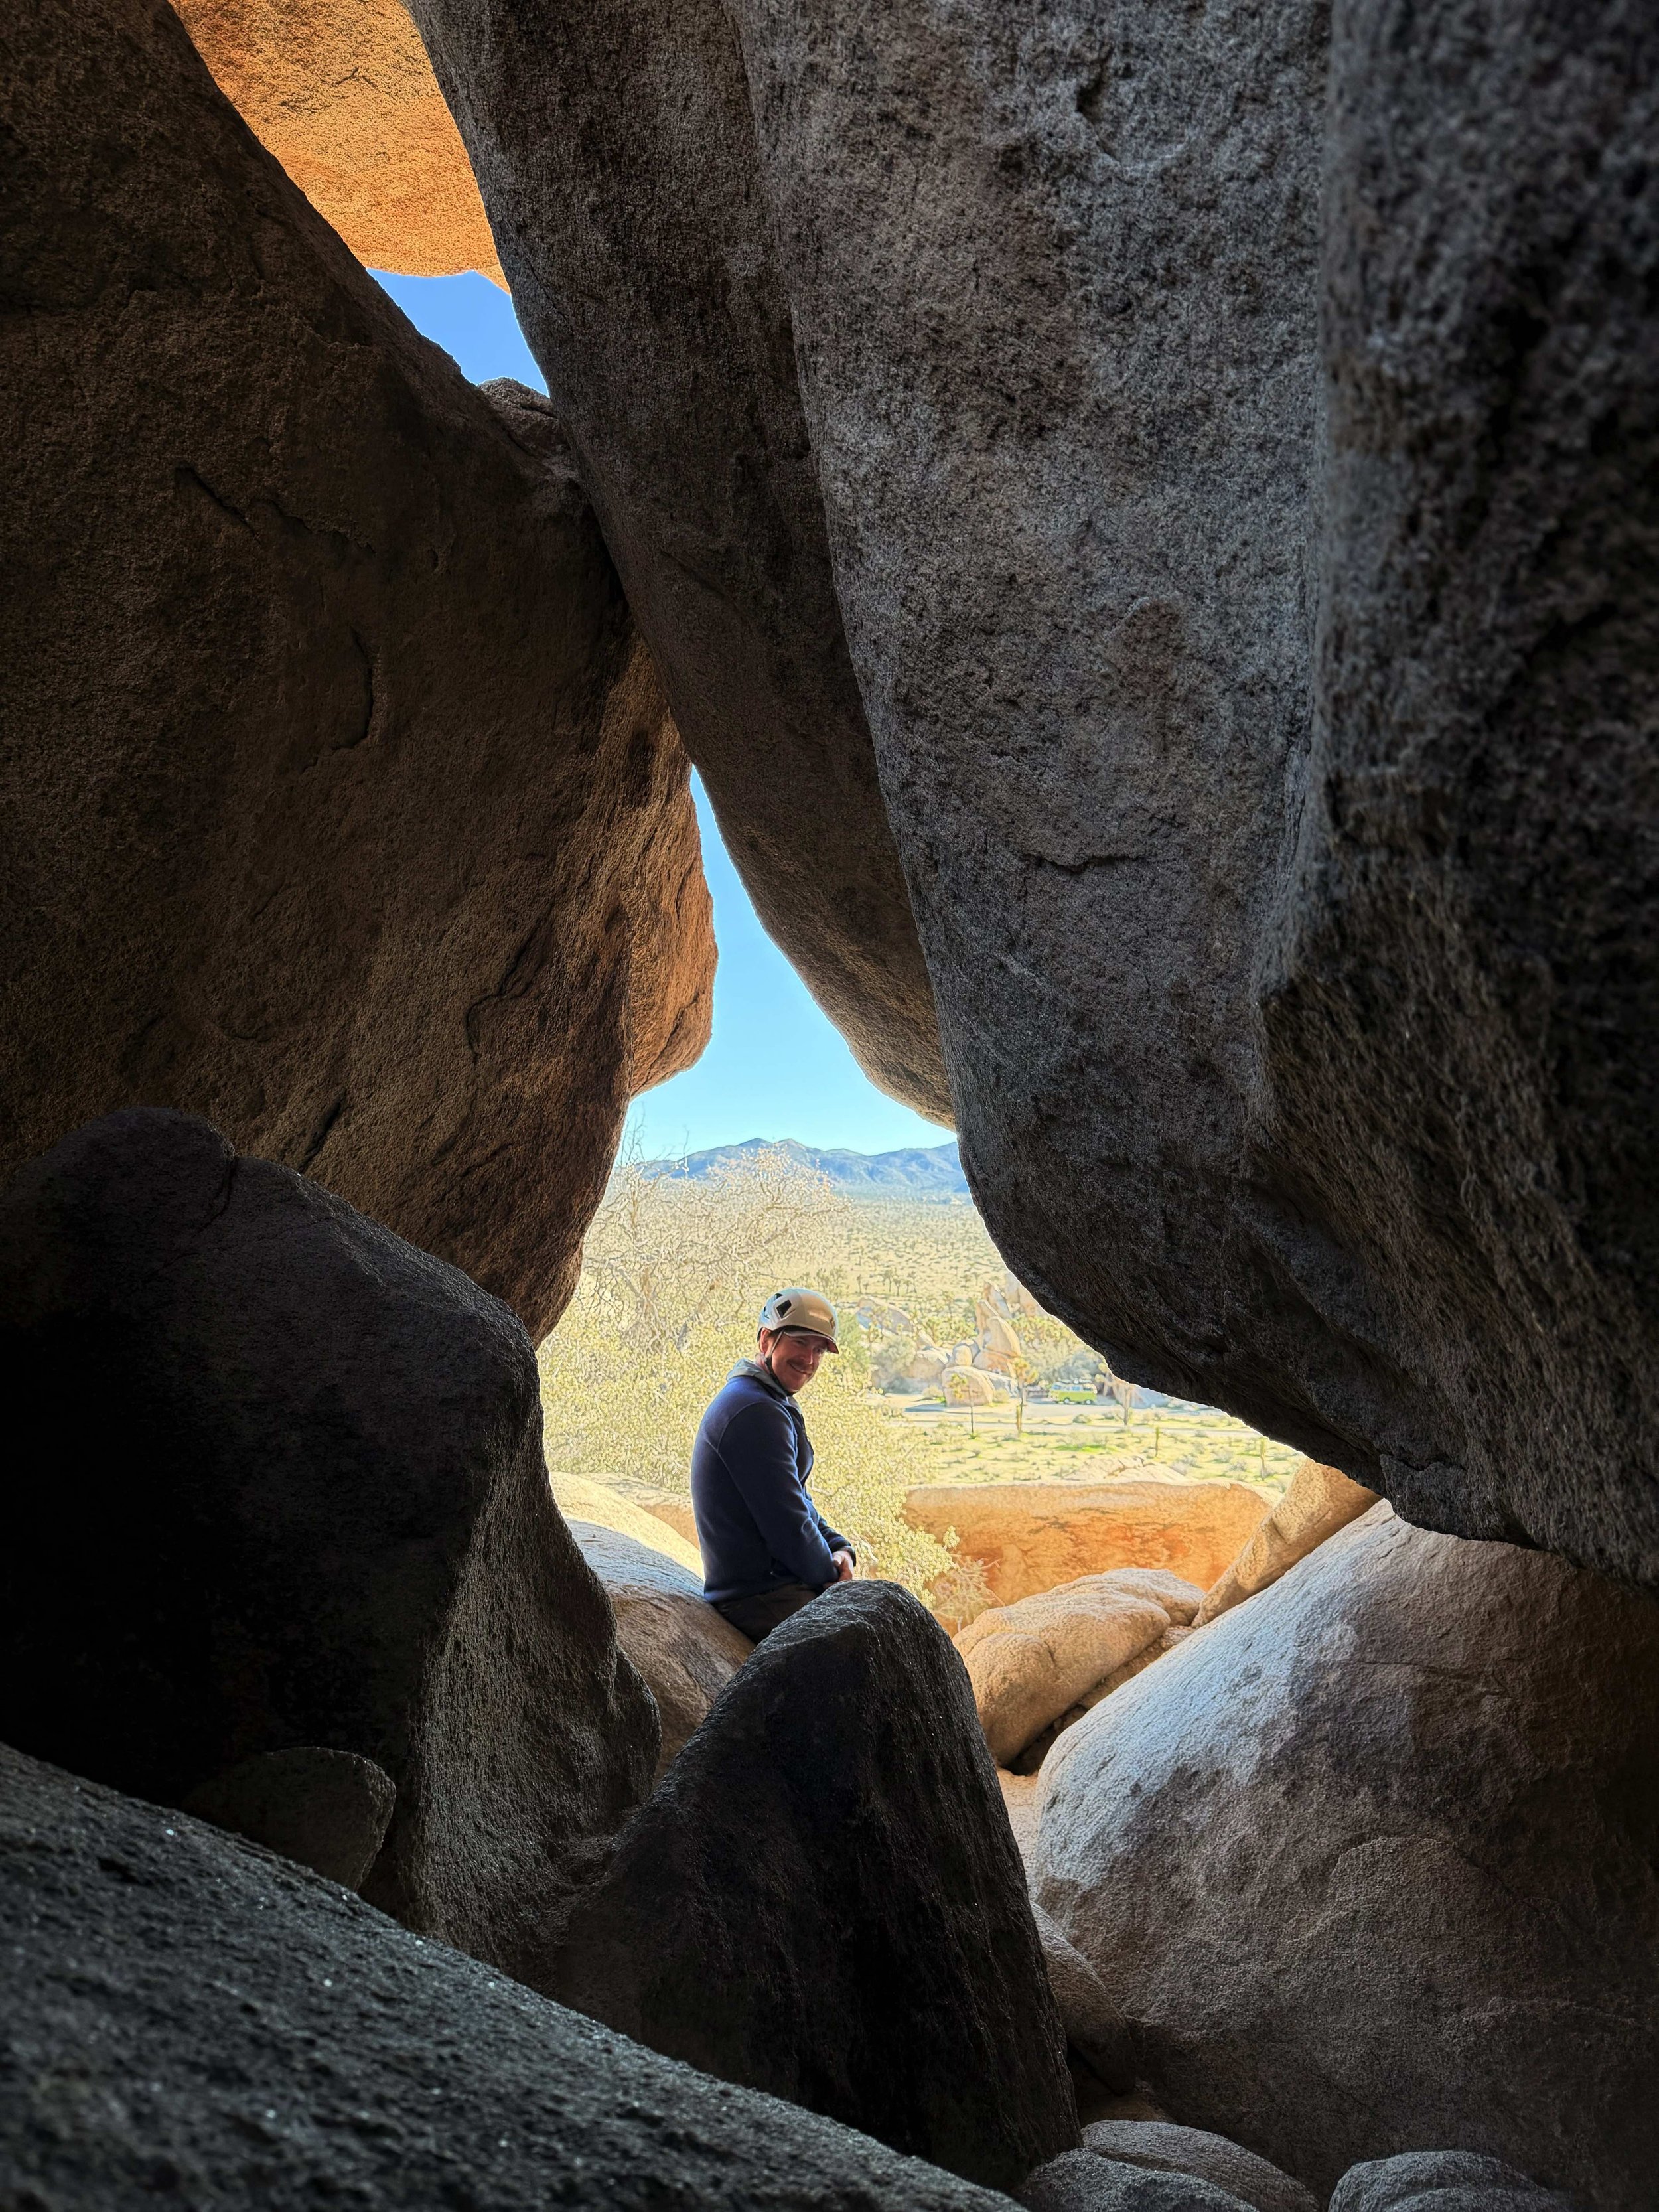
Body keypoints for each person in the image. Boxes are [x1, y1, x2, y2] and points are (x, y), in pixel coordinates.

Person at [691, 1287, 856, 1641]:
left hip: (770, 1586)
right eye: (800, 1343)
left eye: (819, 1350)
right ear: (767, 1340)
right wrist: (829, 1574)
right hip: (759, 1596)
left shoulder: (763, 1399)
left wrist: (840, 1547)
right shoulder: (756, 1411)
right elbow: (787, 1524)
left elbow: (797, 1498)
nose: (810, 1360)